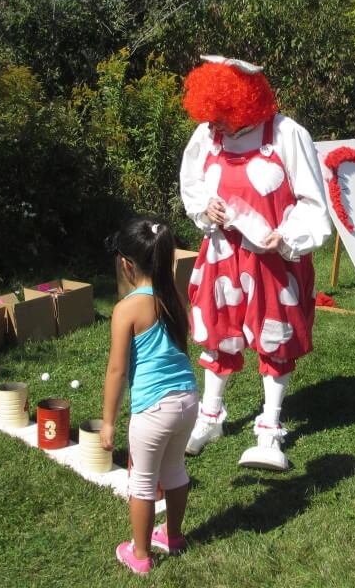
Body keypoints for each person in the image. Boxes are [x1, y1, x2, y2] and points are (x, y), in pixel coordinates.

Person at [179, 55, 331, 471]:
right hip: (221, 254)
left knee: (275, 335)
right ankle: (211, 415)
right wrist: (202, 209)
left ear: (243, 106)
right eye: (212, 118)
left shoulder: (286, 134)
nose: (216, 128)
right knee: (217, 330)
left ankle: (270, 425)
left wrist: (287, 235)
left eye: (223, 118)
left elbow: (314, 202)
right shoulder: (207, 134)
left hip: (272, 261)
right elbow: (191, 183)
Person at [101, 218, 199, 575]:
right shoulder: (173, 297)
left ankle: (140, 555)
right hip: (188, 401)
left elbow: (116, 370)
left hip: (153, 409)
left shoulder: (127, 309)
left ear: (126, 264)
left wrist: (109, 422)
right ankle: (172, 536)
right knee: (174, 469)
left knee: (142, 480)